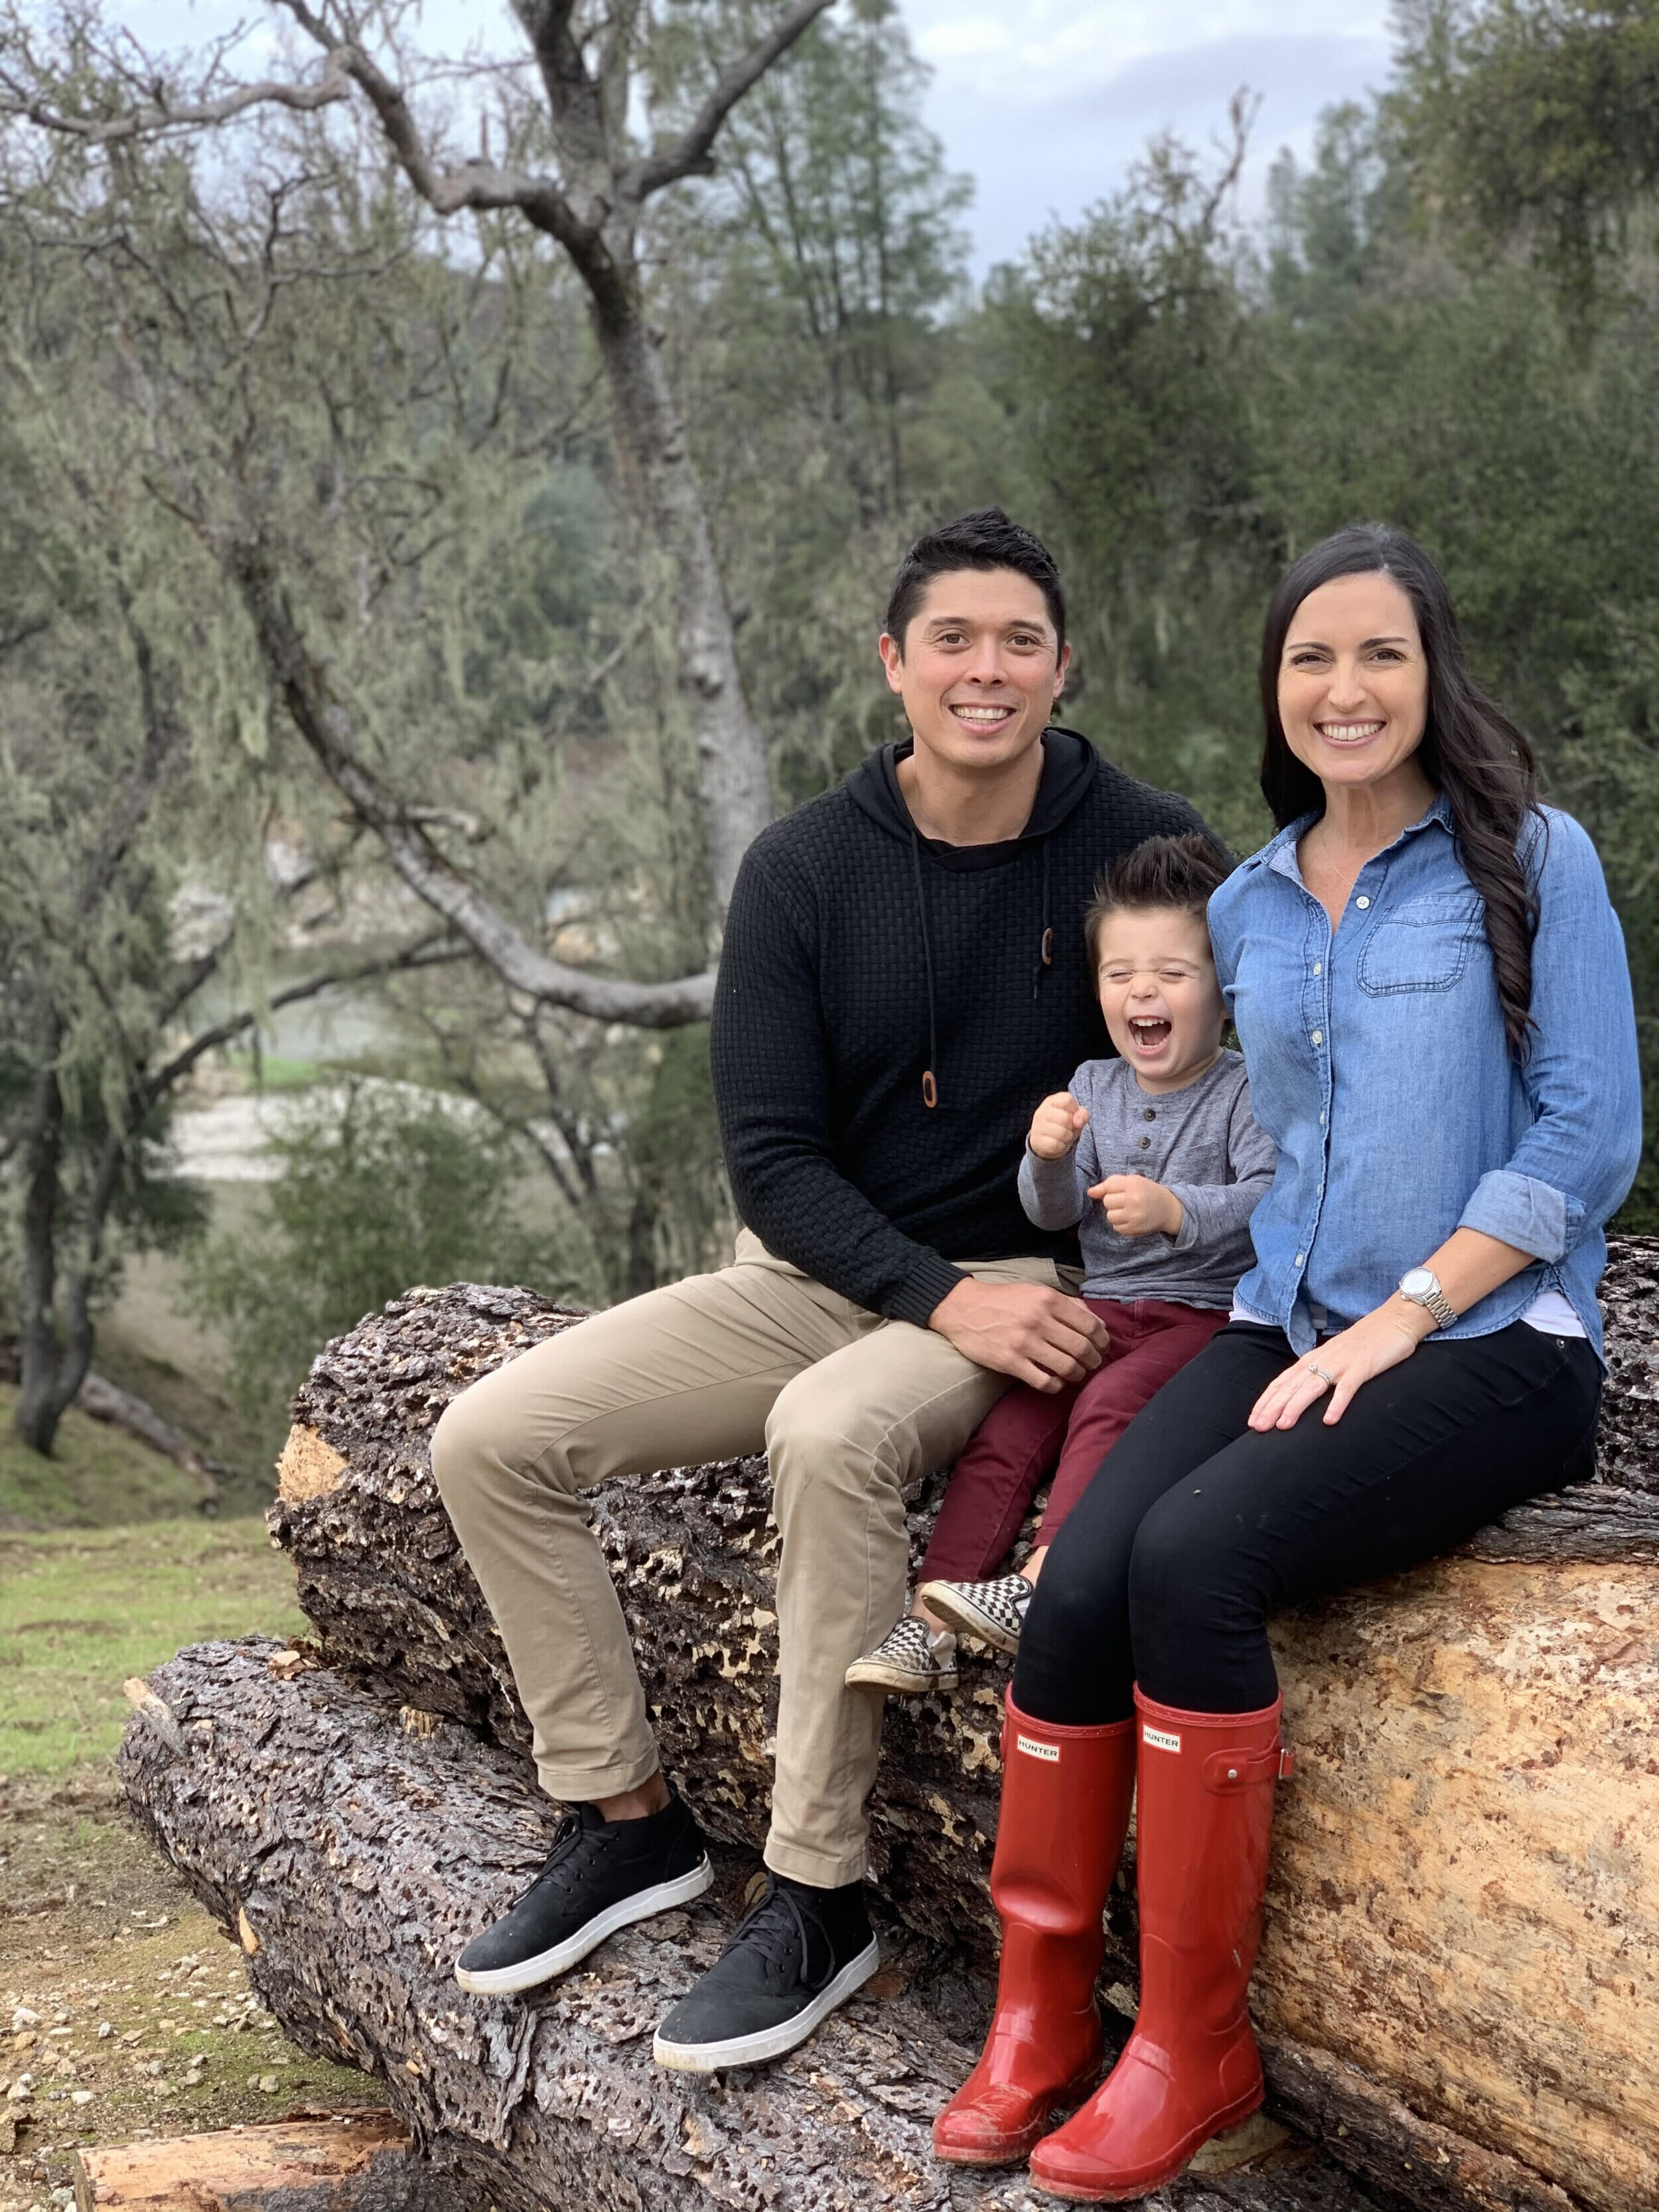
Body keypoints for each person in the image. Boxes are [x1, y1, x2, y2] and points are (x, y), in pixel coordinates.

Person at [429, 508, 1206, 2073]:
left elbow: (1244, 1054)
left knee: (828, 1433)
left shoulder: (1142, 848)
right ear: (893, 664)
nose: (984, 670)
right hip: (822, 1263)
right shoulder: (800, 868)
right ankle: (627, 1818)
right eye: (951, 641)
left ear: (1063, 666)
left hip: (1031, 1282)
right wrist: (925, 1292)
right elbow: (771, 1158)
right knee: (486, 1439)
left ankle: (816, 1891)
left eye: (1018, 642)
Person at [932, 522, 1640, 2196]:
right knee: (1084, 1570)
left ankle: (1193, 2043)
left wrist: (1402, 1314)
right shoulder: (1244, 898)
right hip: (1282, 1319)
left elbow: (1588, 1130)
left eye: (1377, 653)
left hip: (1487, 1337)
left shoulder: (1531, 862)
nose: (1343, 688)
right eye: (1310, 657)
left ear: (1430, 671)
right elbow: (1266, 1135)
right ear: (1274, 686)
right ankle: (1038, 2006)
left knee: (1196, 1556)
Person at [845, 831, 1273, 1694]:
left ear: (1225, 991)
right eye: (1120, 974)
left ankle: (1042, 1584)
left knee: (1110, 1403)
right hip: (1106, 1305)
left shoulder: (1245, 1090)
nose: (1141, 990)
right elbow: (1052, 1214)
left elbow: (1275, 1204)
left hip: (1204, 1321)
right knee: (1012, 1421)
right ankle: (932, 1619)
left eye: (1171, 973)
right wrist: (1044, 1156)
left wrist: (1179, 1210)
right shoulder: (1093, 1084)